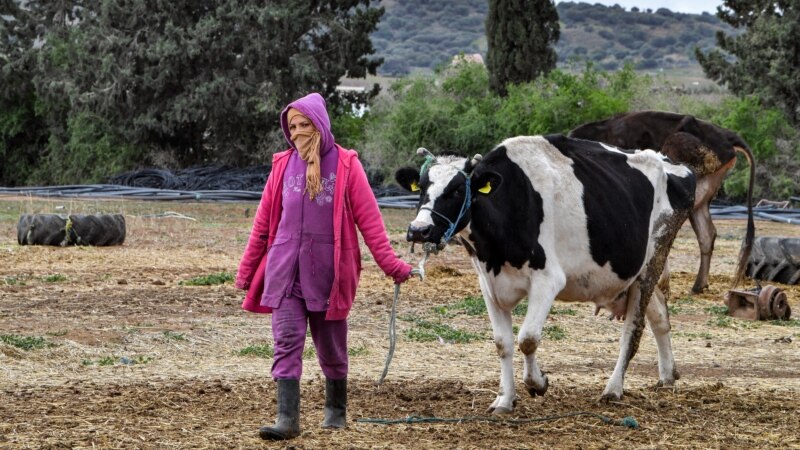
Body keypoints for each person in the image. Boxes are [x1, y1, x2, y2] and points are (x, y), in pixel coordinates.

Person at [235, 92, 413, 441]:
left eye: (305, 124)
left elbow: (371, 223)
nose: (299, 131)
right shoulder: (283, 165)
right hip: (285, 271)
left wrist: (392, 265)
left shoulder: (346, 164)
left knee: (331, 346)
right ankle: (287, 420)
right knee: (286, 341)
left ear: (320, 123)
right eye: (293, 126)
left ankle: (335, 411)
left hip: (328, 274)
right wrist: (246, 271)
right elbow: (262, 224)